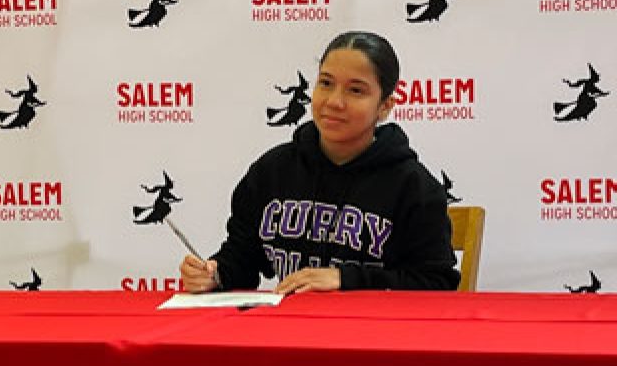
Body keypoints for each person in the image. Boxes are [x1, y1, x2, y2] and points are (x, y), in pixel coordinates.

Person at [180, 31, 459, 294]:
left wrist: (346, 280)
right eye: (326, 83)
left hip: (371, 328)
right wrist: (214, 274)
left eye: (356, 90)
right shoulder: (272, 171)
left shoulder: (414, 187)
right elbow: (242, 259)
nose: (334, 102)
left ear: (385, 106)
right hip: (288, 325)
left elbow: (437, 284)